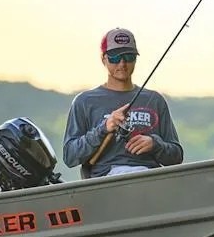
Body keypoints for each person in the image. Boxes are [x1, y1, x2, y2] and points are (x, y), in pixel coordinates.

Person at [62, 27, 184, 178]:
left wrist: (155, 144)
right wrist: (104, 128)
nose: (122, 63)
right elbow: (70, 156)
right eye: (114, 58)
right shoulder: (84, 101)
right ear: (103, 59)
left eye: (129, 57)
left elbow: (177, 156)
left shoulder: (155, 100)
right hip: (106, 182)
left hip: (150, 180)